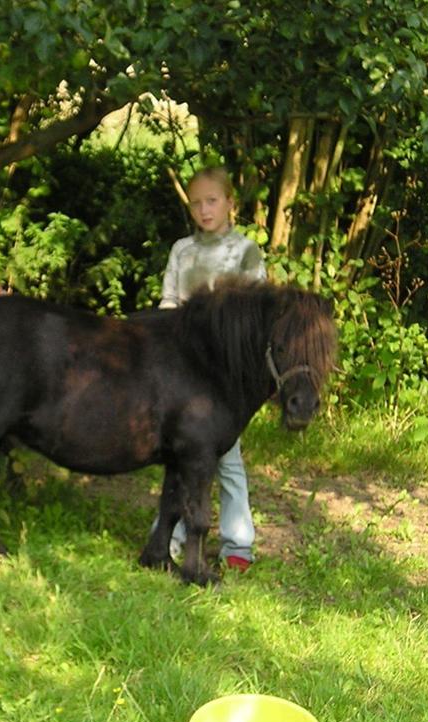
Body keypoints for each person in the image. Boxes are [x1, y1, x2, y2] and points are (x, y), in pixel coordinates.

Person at [158, 166, 266, 571]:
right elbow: (169, 302)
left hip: (223, 378)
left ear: (230, 203)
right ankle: (170, 535)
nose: (204, 210)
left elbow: (255, 317)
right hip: (181, 371)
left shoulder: (245, 252)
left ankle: (238, 546)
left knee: (228, 461)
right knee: (179, 456)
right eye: (196, 203)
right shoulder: (182, 250)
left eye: (212, 201)